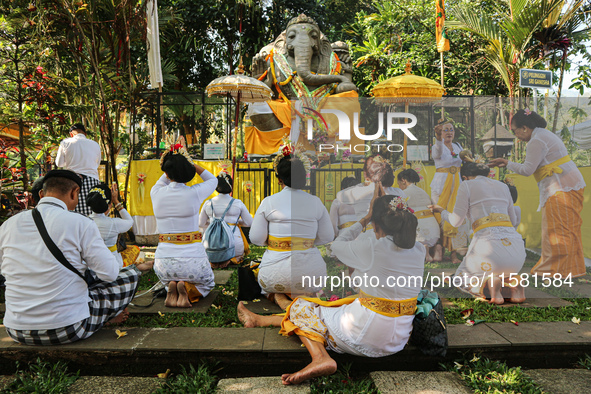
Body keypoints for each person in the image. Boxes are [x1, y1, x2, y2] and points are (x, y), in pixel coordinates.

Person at [238, 184, 424, 384]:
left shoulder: (372, 247)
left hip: (367, 336)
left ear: (376, 224)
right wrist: (380, 212)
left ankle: (320, 358)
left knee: (305, 307)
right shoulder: (419, 249)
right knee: (329, 306)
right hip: (398, 339)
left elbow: (336, 244)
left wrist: (365, 218)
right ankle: (261, 320)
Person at [0, 170, 140, 345]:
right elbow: (110, 274)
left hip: (16, 330)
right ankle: (105, 316)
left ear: (42, 194)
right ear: (75, 193)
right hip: (69, 328)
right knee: (131, 273)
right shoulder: (81, 223)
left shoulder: (8, 225)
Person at [489, 109, 586, 278]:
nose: (516, 135)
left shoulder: (537, 140)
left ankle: (555, 270)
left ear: (525, 128)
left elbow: (527, 170)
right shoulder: (544, 134)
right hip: (568, 185)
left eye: (515, 131)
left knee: (558, 230)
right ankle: (570, 269)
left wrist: (507, 163)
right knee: (568, 228)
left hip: (562, 188)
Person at [430, 162, 526, 304]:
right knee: (502, 271)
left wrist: (441, 210)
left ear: (465, 177)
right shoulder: (503, 186)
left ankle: (490, 285)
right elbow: (512, 220)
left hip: (489, 253)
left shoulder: (467, 185)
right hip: (517, 254)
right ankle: (513, 283)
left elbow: (456, 221)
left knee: (460, 279)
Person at [249, 151, 334, 309]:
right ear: (304, 177)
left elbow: (255, 238)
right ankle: (304, 297)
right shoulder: (315, 202)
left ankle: (280, 298)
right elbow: (328, 236)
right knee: (307, 283)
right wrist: (305, 241)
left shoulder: (268, 202)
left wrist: (276, 242)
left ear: (279, 179)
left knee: (266, 282)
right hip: (312, 276)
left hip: (274, 276)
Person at [151, 145, 218, 308]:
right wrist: (189, 162)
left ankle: (170, 287)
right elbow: (213, 180)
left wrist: (175, 161)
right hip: (192, 262)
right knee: (207, 284)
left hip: (163, 264)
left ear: (166, 172)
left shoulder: (156, 192)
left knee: (168, 278)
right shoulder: (194, 192)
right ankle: (187, 291)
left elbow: (165, 177)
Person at [329, 154, 404, 237]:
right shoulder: (399, 193)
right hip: (390, 238)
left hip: (363, 236)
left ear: (365, 174)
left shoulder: (357, 192)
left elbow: (340, 196)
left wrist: (363, 185)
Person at [86, 183, 151, 271]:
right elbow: (130, 221)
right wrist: (116, 201)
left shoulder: (83, 221)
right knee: (134, 249)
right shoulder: (113, 223)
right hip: (112, 264)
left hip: (90, 264)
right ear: (109, 204)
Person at [430, 119, 470, 264]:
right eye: (445, 130)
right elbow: (439, 152)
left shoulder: (458, 146)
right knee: (439, 218)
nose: (448, 132)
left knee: (456, 217)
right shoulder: (437, 146)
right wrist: (438, 138)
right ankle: (438, 250)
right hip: (440, 187)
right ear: (440, 132)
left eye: (451, 129)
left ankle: (454, 255)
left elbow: (465, 161)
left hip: (457, 185)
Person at [199, 173, 254, 268]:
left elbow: (201, 223)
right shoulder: (238, 203)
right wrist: (234, 223)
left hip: (210, 245)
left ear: (215, 186)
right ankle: (230, 260)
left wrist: (214, 223)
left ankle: (214, 261)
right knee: (236, 251)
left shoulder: (208, 203)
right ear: (231, 186)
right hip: (235, 247)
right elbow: (249, 223)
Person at [55, 123, 102, 216]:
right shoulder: (95, 144)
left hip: (73, 181)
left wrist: (69, 162)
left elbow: (59, 163)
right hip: (93, 181)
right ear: (85, 134)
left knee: (74, 213)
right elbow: (97, 163)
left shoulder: (65, 143)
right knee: (93, 212)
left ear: (71, 134)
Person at [397, 169, 440, 262]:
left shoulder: (404, 193)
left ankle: (425, 252)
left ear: (403, 180)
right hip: (435, 232)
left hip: (419, 232)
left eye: (399, 183)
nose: (399, 187)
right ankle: (435, 249)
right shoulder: (423, 192)